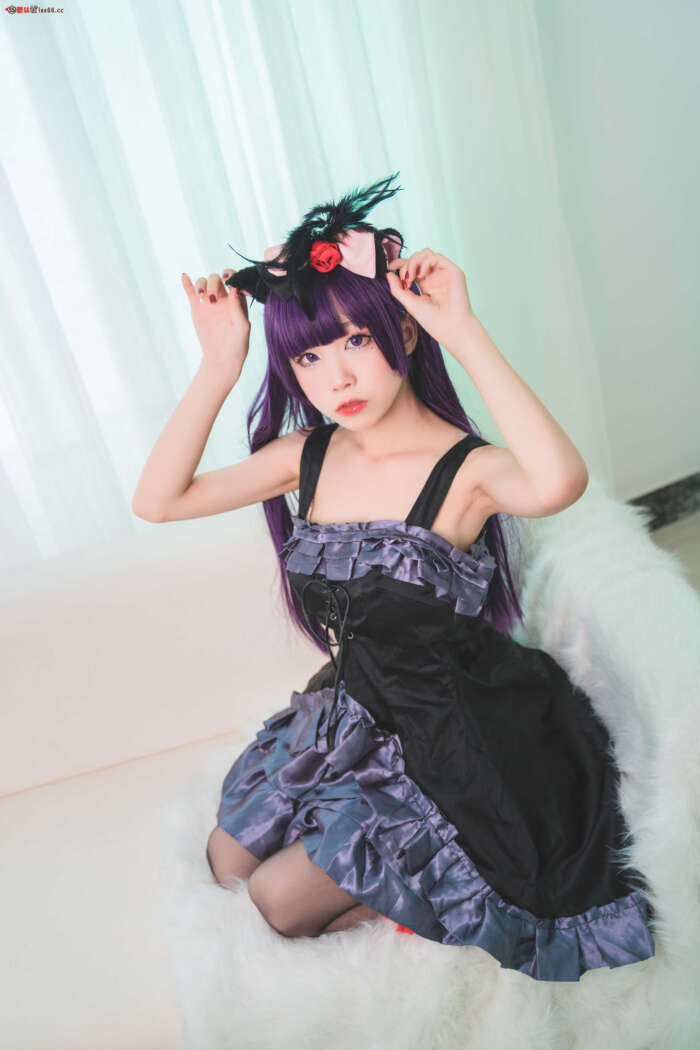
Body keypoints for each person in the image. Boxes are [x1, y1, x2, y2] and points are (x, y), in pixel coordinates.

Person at [132, 173, 656, 981]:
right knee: (224, 860)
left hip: (458, 736)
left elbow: (559, 481)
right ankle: (388, 881)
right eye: (309, 356)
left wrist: (463, 328)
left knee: (276, 899)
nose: (336, 379)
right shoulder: (308, 455)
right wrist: (220, 363)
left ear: (403, 332)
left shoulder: (466, 468)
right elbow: (158, 501)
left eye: (355, 342)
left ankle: (420, 898)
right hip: (356, 704)